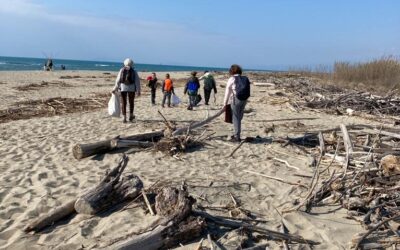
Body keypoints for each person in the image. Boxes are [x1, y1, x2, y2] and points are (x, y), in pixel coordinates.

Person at [223, 64, 251, 142]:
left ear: (231, 71)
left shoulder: (232, 79)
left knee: (235, 117)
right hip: (244, 99)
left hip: (236, 99)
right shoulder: (245, 78)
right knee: (239, 116)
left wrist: (225, 103)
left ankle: (236, 136)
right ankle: (237, 133)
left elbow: (227, 92)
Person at [112, 58, 141, 123]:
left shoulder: (122, 70)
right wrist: (138, 90)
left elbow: (118, 80)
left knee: (124, 102)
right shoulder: (134, 70)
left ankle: (124, 118)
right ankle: (131, 116)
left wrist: (115, 88)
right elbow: (137, 81)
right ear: (132, 63)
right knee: (131, 102)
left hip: (123, 88)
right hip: (132, 88)